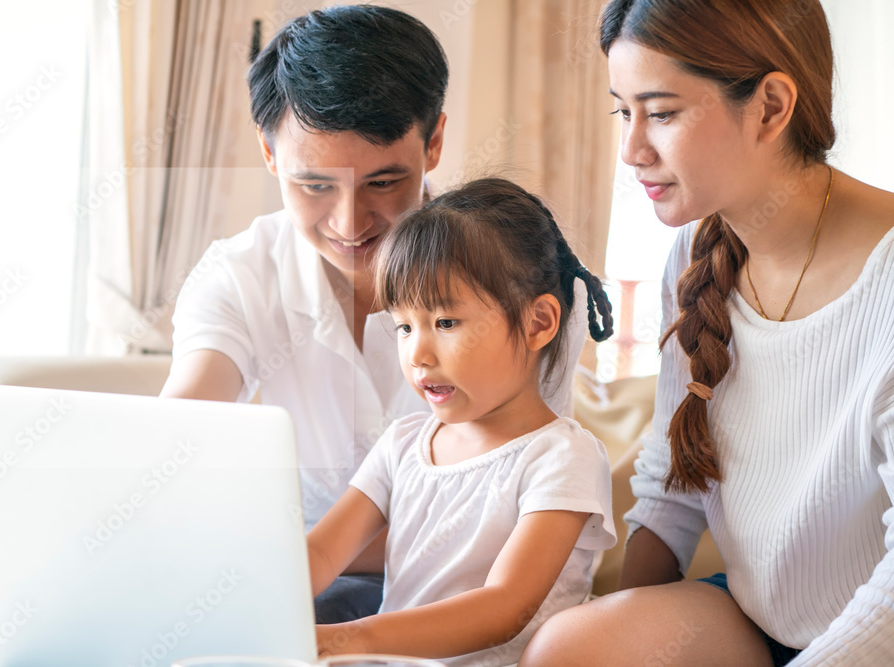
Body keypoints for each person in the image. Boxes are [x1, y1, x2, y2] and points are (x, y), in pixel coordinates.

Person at [160, 5, 590, 623]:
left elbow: (516, 510)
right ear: (270, 154)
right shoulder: (239, 276)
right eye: (316, 186)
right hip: (315, 581)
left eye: (384, 182)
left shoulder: (523, 282)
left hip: (476, 597)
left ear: (434, 141)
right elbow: (185, 422)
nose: (349, 223)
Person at [520, 1, 894, 665]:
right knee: (567, 649)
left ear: (772, 107)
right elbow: (672, 487)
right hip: (757, 620)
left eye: (661, 113)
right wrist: (620, 625)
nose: (633, 150)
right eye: (622, 111)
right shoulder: (696, 250)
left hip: (875, 633)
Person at [306, 178, 618, 666]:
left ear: (538, 323)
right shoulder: (404, 443)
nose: (417, 354)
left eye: (446, 323)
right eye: (405, 326)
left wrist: (354, 638)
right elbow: (322, 555)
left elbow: (504, 608)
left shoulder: (561, 457)